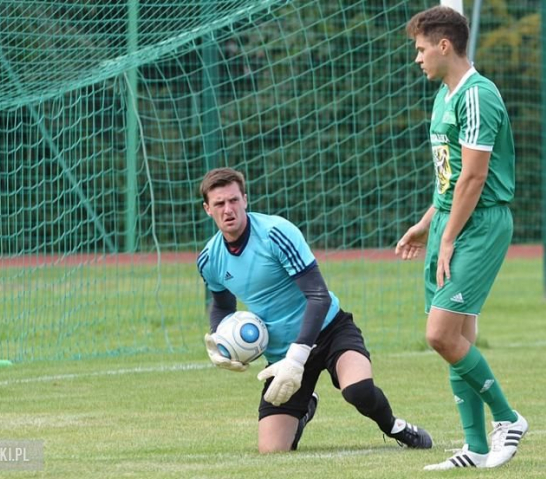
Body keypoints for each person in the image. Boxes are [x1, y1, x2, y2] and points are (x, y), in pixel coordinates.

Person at [197, 167, 432, 454]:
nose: (228, 209)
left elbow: (318, 296)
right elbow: (222, 306)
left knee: (357, 391)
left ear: (245, 200)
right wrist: (221, 342)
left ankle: (396, 427)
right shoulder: (209, 259)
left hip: (330, 330)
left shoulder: (275, 233)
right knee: (272, 450)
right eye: (219, 203)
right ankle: (305, 406)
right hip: (281, 355)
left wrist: (298, 356)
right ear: (208, 209)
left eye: (234, 200)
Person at [396, 6, 528, 470]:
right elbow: (450, 182)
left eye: (420, 49)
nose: (417, 58)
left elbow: (474, 178)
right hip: (451, 224)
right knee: (457, 336)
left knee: (439, 334)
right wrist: (427, 223)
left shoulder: (478, 96)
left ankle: (509, 420)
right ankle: (474, 446)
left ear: (444, 46)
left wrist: (448, 237)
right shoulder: (445, 96)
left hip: (479, 226)